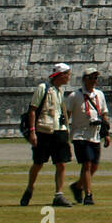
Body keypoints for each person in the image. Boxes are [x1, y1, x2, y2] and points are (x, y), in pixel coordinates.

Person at [21, 63, 73, 208]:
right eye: (67, 74)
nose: (69, 77)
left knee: (61, 163)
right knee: (38, 163)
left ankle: (59, 194)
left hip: (59, 130)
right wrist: (32, 131)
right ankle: (30, 188)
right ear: (61, 75)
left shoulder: (59, 91)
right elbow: (32, 110)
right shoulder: (43, 88)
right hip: (44, 131)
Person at [65, 66, 110, 205]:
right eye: (91, 78)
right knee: (87, 165)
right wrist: (65, 133)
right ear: (84, 79)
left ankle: (78, 186)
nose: (94, 81)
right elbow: (67, 115)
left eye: (96, 78)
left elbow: (103, 114)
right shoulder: (74, 96)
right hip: (80, 135)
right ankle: (88, 195)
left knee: (94, 166)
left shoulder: (99, 95)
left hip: (95, 135)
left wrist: (106, 133)